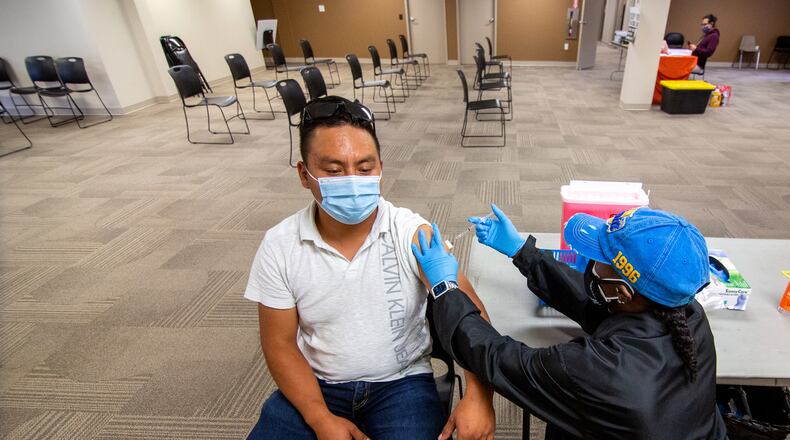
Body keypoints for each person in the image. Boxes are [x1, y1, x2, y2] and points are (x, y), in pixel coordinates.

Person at [244, 96, 496, 440]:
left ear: (380, 168)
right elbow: (280, 344)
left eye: (364, 169)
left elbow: (470, 314)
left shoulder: (411, 232)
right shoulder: (280, 245)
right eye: (333, 170)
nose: (352, 180)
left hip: (402, 384)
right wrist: (319, 418)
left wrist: (480, 395)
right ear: (304, 175)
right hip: (318, 383)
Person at [412, 205, 728, 439]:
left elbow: (497, 357)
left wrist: (444, 288)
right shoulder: (684, 312)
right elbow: (593, 302)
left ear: (622, 290)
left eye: (601, 259)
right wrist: (523, 252)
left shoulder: (601, 370)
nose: (591, 263)